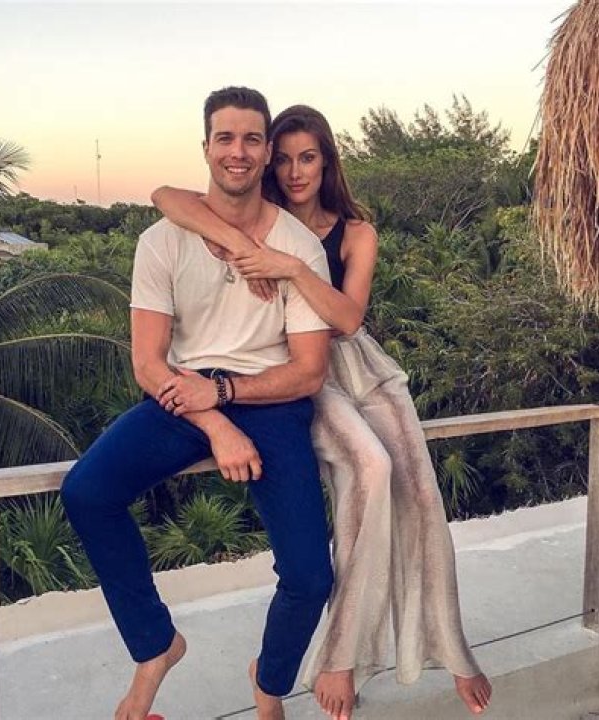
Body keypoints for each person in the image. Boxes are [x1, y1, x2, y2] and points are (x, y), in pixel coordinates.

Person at [152, 104, 493, 720]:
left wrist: (288, 267)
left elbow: (348, 318)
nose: (294, 171)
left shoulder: (353, 233)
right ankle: (341, 654)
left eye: (307, 157)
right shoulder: (260, 221)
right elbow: (163, 196)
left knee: (420, 491)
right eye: (283, 159)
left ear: (327, 161)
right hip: (299, 371)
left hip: (359, 363)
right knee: (370, 467)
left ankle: (453, 647)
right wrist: (243, 243)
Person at [61, 88, 336, 720]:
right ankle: (155, 645)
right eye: (225, 138)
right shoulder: (162, 241)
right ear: (206, 147)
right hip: (185, 395)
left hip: (271, 398)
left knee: (310, 577)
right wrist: (214, 420)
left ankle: (269, 680)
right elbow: (148, 363)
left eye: (251, 139)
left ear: (266, 151)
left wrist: (229, 394)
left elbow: (309, 371)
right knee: (88, 492)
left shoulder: (296, 247)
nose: (238, 152)